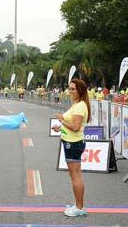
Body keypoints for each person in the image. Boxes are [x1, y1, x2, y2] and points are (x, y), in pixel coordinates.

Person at [52, 78, 91, 217]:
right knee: (75, 175)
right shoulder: (76, 104)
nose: (70, 91)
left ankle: (79, 207)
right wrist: (60, 127)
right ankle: (77, 204)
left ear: (80, 91)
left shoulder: (80, 106)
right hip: (70, 142)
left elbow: (75, 127)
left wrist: (62, 119)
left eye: (73, 89)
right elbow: (71, 124)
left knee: (76, 176)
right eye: (69, 88)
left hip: (73, 143)